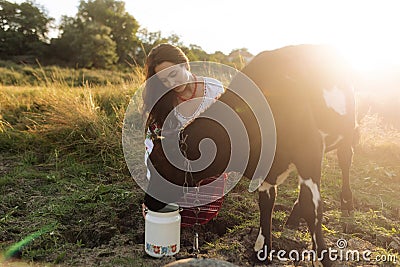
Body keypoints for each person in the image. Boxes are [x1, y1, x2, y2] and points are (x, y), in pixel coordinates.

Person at [141, 43, 225, 216]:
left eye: (173, 74)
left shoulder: (214, 89)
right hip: (177, 170)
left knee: (200, 214)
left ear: (185, 64)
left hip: (210, 168)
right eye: (165, 80)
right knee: (166, 211)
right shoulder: (163, 102)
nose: (171, 83)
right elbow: (152, 146)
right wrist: (154, 185)